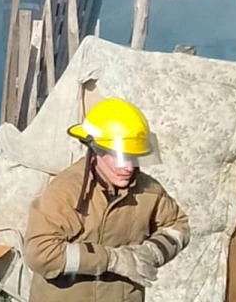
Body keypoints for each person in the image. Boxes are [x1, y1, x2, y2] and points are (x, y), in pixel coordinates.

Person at [22, 98, 190, 302]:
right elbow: (40, 253)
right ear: (96, 151)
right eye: (120, 157)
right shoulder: (66, 191)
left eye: (134, 157)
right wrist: (112, 260)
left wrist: (151, 252)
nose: (128, 167)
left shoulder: (149, 191)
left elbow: (178, 227)